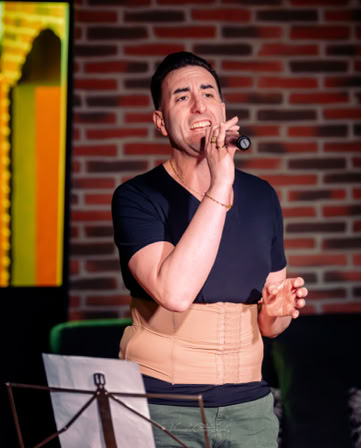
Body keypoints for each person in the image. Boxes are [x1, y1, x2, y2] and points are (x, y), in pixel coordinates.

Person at [112, 51, 308, 448]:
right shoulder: (137, 196)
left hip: (249, 408)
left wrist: (275, 313)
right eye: (182, 96)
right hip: (161, 406)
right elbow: (174, 293)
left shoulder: (262, 197)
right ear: (160, 121)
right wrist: (221, 183)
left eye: (208, 93)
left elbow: (268, 327)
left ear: (222, 108)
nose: (199, 105)